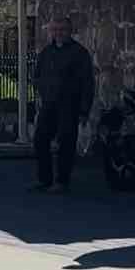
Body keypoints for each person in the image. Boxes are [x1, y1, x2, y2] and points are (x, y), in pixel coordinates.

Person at [30, 16, 95, 194]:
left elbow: (87, 82)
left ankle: (62, 181)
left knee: (66, 143)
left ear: (69, 31)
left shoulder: (79, 53)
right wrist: (41, 91)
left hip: (69, 105)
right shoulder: (46, 52)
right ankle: (44, 179)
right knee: (40, 140)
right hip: (49, 104)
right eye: (55, 30)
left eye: (62, 29)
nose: (58, 33)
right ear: (51, 32)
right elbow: (37, 75)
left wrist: (84, 110)